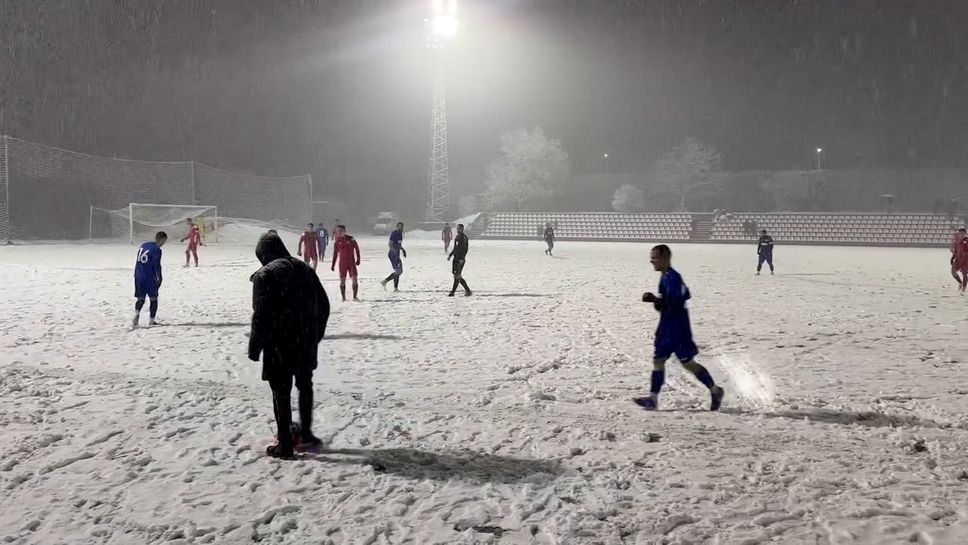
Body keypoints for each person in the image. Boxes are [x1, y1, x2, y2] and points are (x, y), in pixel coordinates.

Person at [248, 232, 330, 460]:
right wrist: (315, 335)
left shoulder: (265, 275)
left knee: (280, 392)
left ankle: (285, 444)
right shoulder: (305, 269)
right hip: (304, 342)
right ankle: (305, 434)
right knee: (305, 385)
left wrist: (255, 347)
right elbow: (324, 305)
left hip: (279, 344)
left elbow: (260, 316)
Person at [634, 244, 724, 411]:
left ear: (665, 258)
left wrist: (655, 300)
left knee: (687, 363)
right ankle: (653, 399)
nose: (651, 261)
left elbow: (676, 302)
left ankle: (715, 390)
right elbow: (674, 300)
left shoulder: (673, 278)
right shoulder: (666, 276)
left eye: (655, 257)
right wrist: (658, 302)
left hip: (677, 329)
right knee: (659, 360)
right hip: (667, 327)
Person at [133, 231, 167, 328]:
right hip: (149, 277)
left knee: (141, 299)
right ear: (162, 240)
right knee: (153, 299)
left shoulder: (143, 245)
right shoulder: (157, 250)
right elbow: (157, 266)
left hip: (138, 275)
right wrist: (160, 277)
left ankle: (136, 314)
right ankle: (151, 321)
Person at [331, 224, 361, 301]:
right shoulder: (337, 242)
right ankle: (343, 297)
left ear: (345, 231)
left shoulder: (351, 239)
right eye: (338, 231)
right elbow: (335, 254)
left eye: (341, 231)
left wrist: (358, 259)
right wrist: (333, 265)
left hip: (351, 263)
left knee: (354, 279)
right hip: (342, 264)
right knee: (342, 281)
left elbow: (357, 249)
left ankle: (354, 297)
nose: (339, 232)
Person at [381, 222, 407, 292]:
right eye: (400, 227)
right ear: (397, 227)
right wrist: (394, 252)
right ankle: (385, 281)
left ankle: (395, 288)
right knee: (399, 271)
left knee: (398, 271)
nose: (401, 228)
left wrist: (403, 250)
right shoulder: (394, 233)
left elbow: (398, 244)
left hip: (397, 254)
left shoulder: (400, 234)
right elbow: (390, 244)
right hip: (393, 255)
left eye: (402, 227)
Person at [447, 223, 472, 297]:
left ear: (462, 229)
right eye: (457, 228)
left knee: (457, 276)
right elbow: (456, 248)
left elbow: (464, 249)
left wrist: (462, 258)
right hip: (456, 258)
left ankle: (453, 292)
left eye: (459, 228)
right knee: (457, 276)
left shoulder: (463, 238)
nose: (458, 230)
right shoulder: (457, 237)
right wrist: (450, 255)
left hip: (460, 259)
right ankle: (467, 291)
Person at [951, 227, 968, 293]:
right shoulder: (957, 241)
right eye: (960, 234)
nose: (961, 235)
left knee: (964, 274)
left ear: (965, 234)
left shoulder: (967, 241)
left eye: (963, 234)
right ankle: (960, 282)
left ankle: (963, 288)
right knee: (953, 272)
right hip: (958, 259)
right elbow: (956, 250)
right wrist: (952, 258)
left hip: (965, 260)